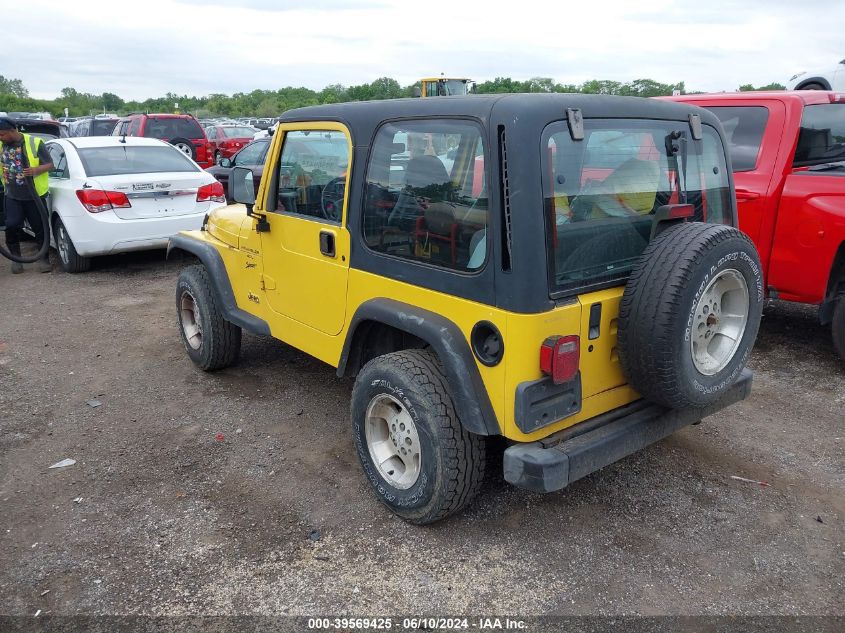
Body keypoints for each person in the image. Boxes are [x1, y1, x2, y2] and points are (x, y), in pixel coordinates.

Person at [0, 116, 53, 273]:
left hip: (34, 195)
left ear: (12, 130)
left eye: (2, 134)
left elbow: (50, 164)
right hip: (12, 194)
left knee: (40, 227)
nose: (0, 137)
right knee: (11, 226)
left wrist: (36, 170)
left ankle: (44, 259)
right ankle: (16, 259)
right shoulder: (1, 145)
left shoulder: (34, 143)